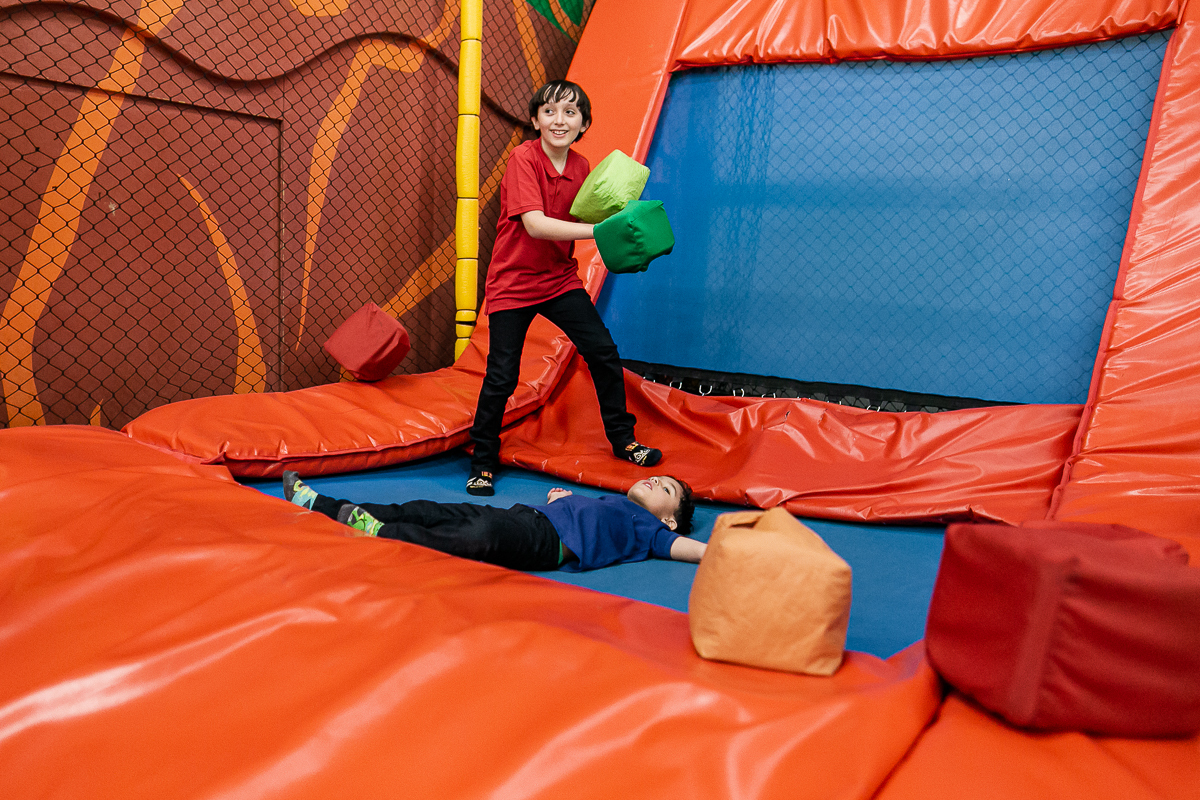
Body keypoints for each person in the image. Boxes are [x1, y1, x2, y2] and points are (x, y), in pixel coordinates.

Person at [467, 79, 661, 497]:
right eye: (550, 111)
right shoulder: (523, 159)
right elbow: (535, 225)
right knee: (502, 375)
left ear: (583, 124)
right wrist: (602, 230)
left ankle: (624, 441)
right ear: (536, 120)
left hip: (557, 279)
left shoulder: (582, 166)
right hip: (513, 281)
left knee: (603, 353)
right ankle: (482, 461)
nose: (559, 119)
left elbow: (597, 212)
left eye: (570, 113)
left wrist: (628, 224)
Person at [283, 470, 704, 572]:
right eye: (656, 477)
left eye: (665, 489)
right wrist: (565, 496)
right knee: (431, 509)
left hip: (544, 543)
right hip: (524, 517)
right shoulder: (611, 502)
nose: (654, 480)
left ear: (668, 520)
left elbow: (685, 548)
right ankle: (318, 501)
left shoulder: (649, 531)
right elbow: (584, 511)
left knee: (475, 537)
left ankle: (380, 531)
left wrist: (727, 551)